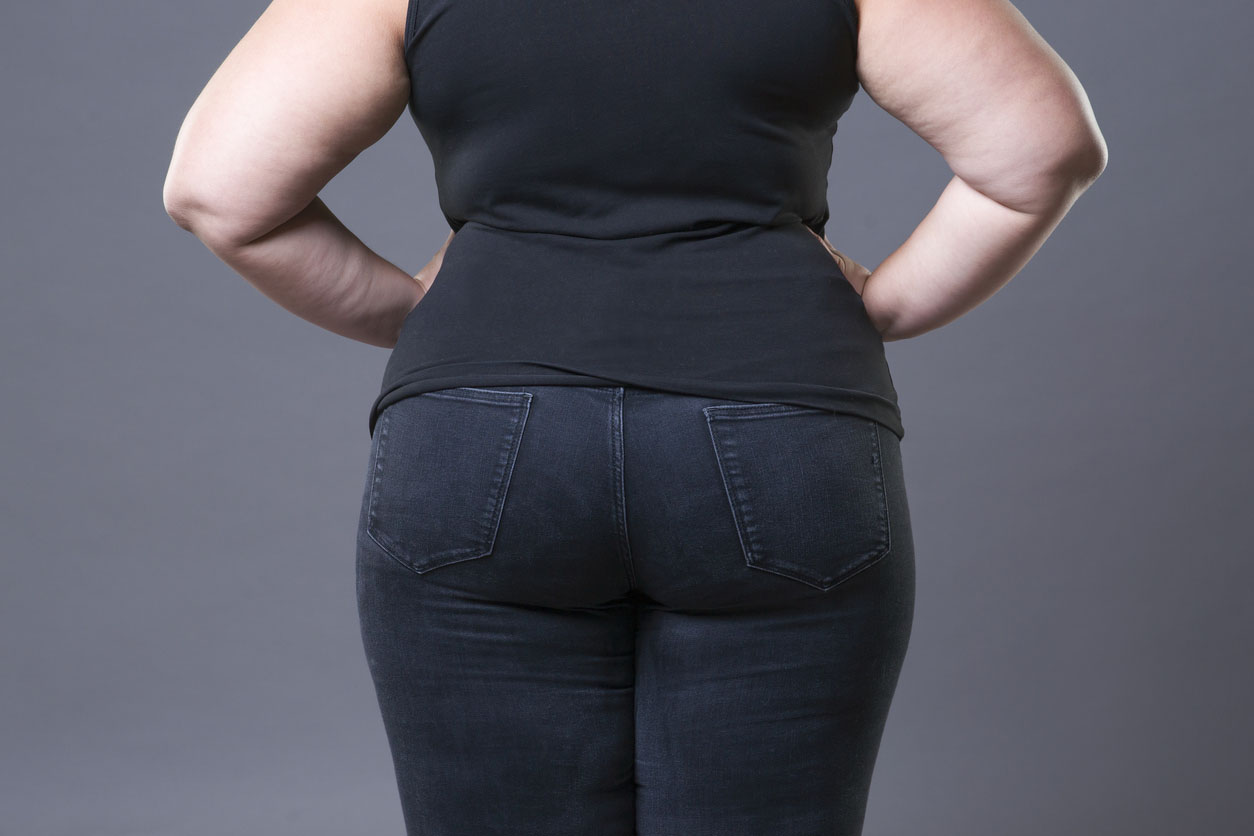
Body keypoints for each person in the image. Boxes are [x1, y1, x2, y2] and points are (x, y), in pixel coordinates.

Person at [163, 0, 1107, 832]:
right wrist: (881, 303)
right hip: (781, 432)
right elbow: (1043, 151)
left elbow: (220, 191)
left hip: (481, 443)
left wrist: (424, 316)